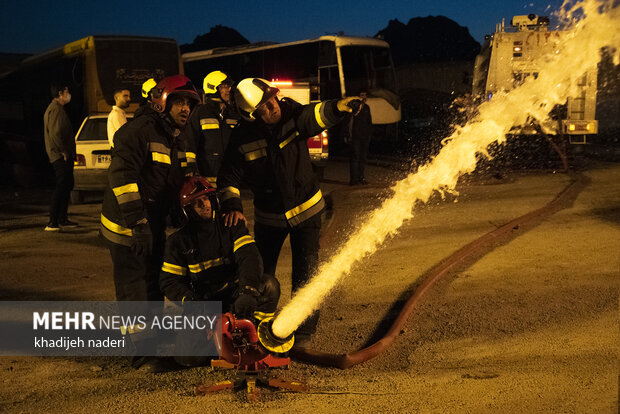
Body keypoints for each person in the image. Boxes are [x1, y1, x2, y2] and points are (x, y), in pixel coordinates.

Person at [217, 78, 359, 347]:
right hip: (269, 219)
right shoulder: (243, 137)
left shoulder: (292, 115)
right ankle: (257, 328)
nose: (273, 106)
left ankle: (303, 332)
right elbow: (228, 178)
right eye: (265, 106)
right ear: (251, 115)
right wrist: (233, 206)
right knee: (260, 275)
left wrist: (339, 106)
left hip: (307, 212)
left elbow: (314, 116)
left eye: (272, 99)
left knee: (306, 274)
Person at [100, 75, 200, 372]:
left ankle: (153, 342)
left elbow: (175, 179)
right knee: (134, 287)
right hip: (126, 224)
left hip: (150, 222)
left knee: (153, 284)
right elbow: (121, 177)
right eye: (179, 101)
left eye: (189, 104)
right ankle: (142, 355)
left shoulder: (176, 136)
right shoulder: (138, 131)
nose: (185, 109)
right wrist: (139, 223)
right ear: (163, 102)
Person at [160, 176, 280, 366]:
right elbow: (169, 281)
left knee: (269, 286)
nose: (205, 204)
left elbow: (249, 257)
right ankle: (222, 345)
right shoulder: (178, 242)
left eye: (207, 198)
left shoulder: (231, 225)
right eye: (197, 202)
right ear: (185, 210)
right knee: (186, 357)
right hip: (204, 304)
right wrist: (191, 303)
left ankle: (260, 337)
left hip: (235, 295)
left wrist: (247, 291)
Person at [182, 71, 238, 184]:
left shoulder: (233, 114)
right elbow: (189, 143)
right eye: (224, 87)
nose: (228, 90)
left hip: (230, 178)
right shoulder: (199, 113)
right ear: (213, 88)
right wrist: (191, 167)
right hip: (206, 178)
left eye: (228, 86)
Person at [43, 82, 78, 231]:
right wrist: (63, 151)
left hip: (62, 155)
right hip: (59, 156)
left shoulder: (58, 109)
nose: (68, 94)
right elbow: (56, 133)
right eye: (66, 91)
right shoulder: (56, 110)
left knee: (67, 185)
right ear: (60, 94)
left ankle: (62, 218)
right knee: (61, 187)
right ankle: (53, 222)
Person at [344, 91, 372, 185]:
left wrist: (369, 135)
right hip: (355, 137)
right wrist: (347, 135)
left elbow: (369, 122)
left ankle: (361, 177)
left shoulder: (367, 107)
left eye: (365, 95)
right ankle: (353, 180)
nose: (363, 97)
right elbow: (348, 121)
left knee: (363, 158)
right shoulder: (353, 107)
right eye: (361, 96)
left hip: (364, 137)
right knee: (355, 157)